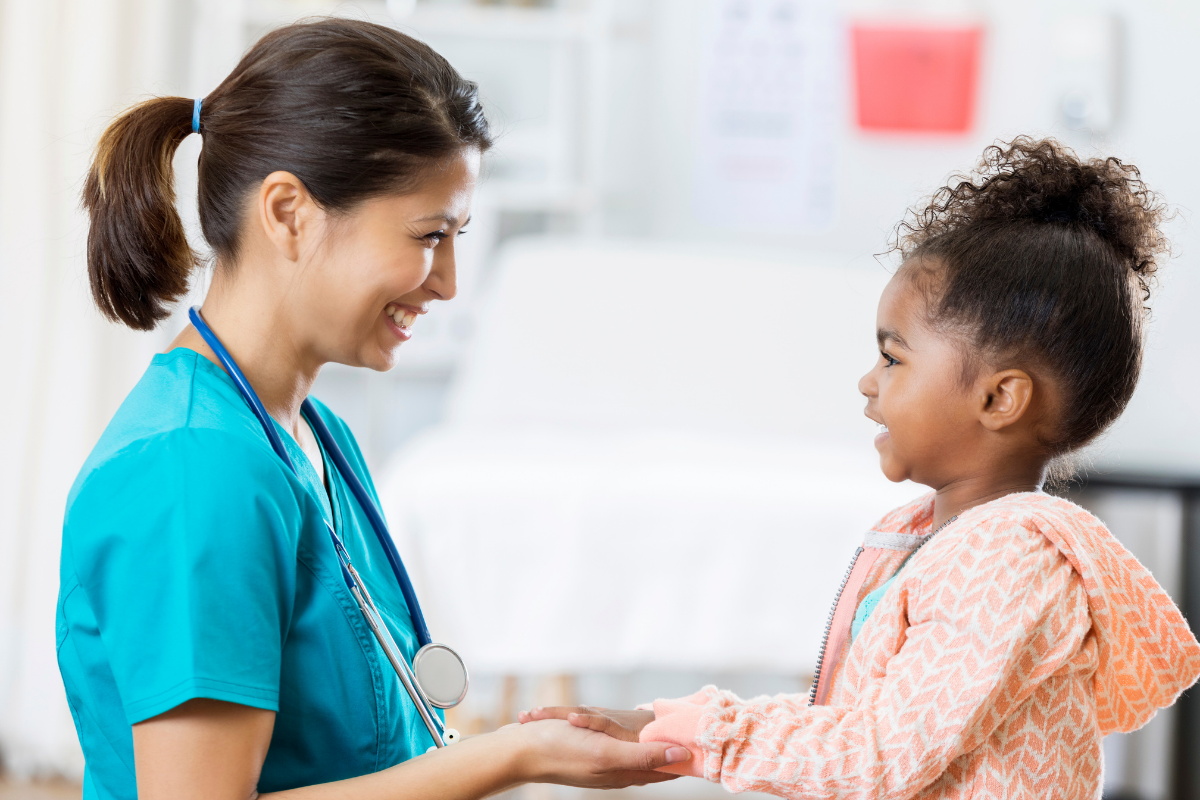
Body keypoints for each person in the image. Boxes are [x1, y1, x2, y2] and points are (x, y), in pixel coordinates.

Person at [58, 18, 689, 800]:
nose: (448, 280)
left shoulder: (315, 436)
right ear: (288, 212)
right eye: (429, 235)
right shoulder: (193, 468)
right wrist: (510, 760)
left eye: (457, 235)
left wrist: (518, 743)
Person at [520, 138, 1200, 798]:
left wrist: (705, 740)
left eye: (894, 359)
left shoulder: (1008, 560)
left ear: (999, 397)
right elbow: (857, 722)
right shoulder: (931, 536)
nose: (867, 384)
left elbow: (880, 757)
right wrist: (661, 726)